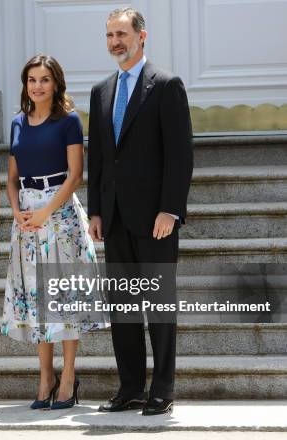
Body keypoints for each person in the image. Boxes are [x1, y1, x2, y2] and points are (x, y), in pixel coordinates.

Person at [87, 8, 193, 416]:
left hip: (155, 220)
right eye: (109, 34)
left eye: (121, 33)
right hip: (113, 218)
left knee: (160, 307)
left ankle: (163, 390)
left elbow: (180, 155)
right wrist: (96, 210)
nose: (115, 41)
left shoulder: (167, 85)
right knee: (125, 310)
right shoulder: (101, 91)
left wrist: (171, 210)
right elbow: (100, 157)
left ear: (141, 36)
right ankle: (131, 387)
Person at [1, 54, 106, 410]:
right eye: (32, 79)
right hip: (26, 218)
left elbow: (76, 173)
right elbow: (11, 178)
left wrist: (47, 210)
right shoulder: (16, 122)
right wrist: (17, 211)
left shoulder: (69, 121)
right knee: (35, 297)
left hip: (60, 215)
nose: (37, 86)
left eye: (44, 79)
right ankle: (45, 376)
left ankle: (69, 377)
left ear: (56, 83)